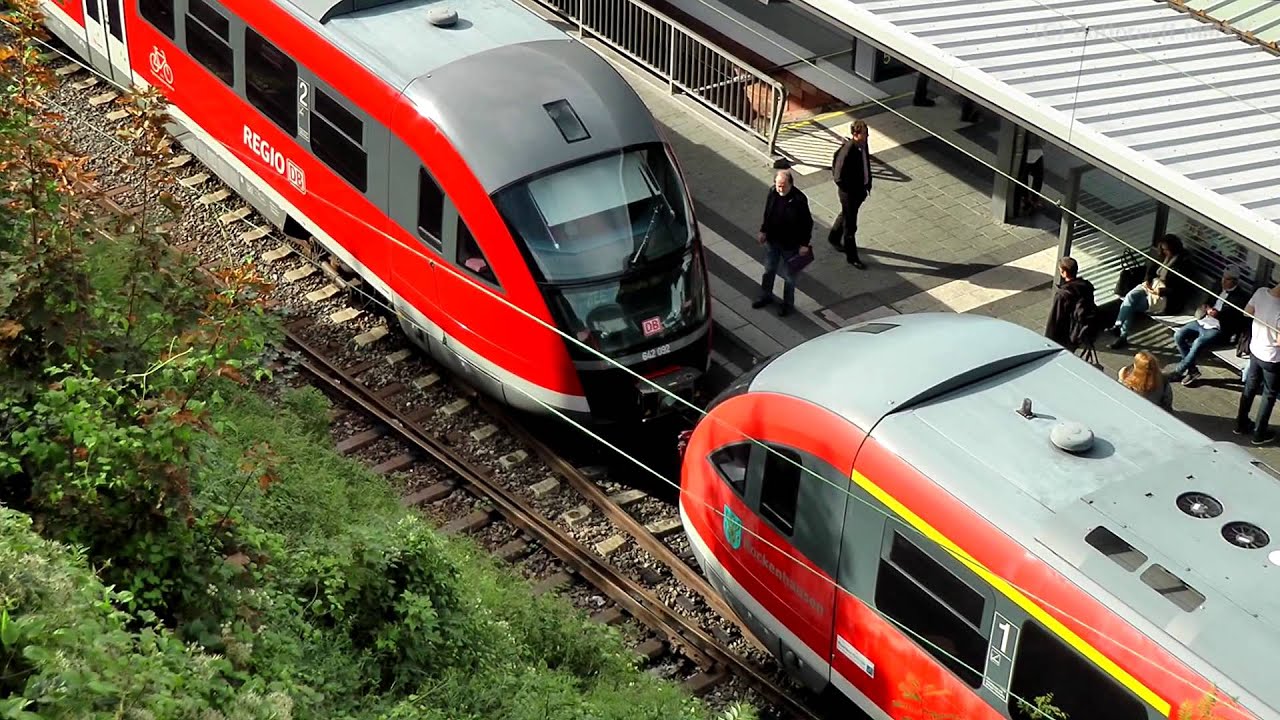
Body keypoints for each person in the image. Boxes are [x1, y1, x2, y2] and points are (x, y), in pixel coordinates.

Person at [1167, 266, 1248, 387]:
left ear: (1235, 281)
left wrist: (1218, 315)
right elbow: (1209, 300)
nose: (1223, 282)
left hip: (1219, 328)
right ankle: (1192, 370)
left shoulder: (1241, 297)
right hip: (1204, 320)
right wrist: (1207, 307)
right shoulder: (1217, 286)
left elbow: (1235, 320)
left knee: (1198, 343)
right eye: (1223, 278)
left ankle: (1179, 371)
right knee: (1179, 335)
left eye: (1227, 280)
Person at [1108, 234, 1189, 349]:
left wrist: (1160, 291)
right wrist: (1147, 281)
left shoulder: (1183, 263)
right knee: (1130, 296)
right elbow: (1150, 270)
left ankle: (1122, 335)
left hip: (1164, 296)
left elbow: (1180, 289)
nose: (1164, 252)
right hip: (1151, 285)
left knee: (1131, 305)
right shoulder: (1162, 256)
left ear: (1173, 248)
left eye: (1166, 249)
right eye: (1162, 249)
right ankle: (1118, 326)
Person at [751, 169, 813, 317]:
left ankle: (787, 304)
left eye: (783, 185)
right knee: (769, 270)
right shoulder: (773, 192)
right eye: (778, 185)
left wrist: (804, 244)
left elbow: (807, 223)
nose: (780, 188)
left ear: (791, 184)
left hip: (791, 245)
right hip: (773, 241)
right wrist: (763, 230)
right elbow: (768, 212)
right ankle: (766, 295)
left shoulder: (799, 200)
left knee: (790, 277)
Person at [1236, 283, 1280, 445]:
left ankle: (1240, 424)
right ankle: (1259, 434)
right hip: (1272, 358)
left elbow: (1247, 312)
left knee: (1250, 387)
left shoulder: (1261, 292)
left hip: (1255, 350)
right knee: (1268, 395)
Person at [827, 120, 872, 269]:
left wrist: (867, 184)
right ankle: (852, 257)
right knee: (851, 225)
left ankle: (834, 237)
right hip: (850, 194)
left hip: (859, 191)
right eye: (865, 133)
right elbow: (838, 177)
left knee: (846, 214)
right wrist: (852, 190)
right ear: (855, 134)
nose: (867, 136)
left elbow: (866, 164)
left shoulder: (863, 145)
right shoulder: (848, 150)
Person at [1045, 257, 1096, 351]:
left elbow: (1055, 318)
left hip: (1067, 333)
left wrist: (1048, 340)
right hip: (1080, 330)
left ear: (1064, 273)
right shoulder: (1086, 286)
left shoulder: (1063, 294)